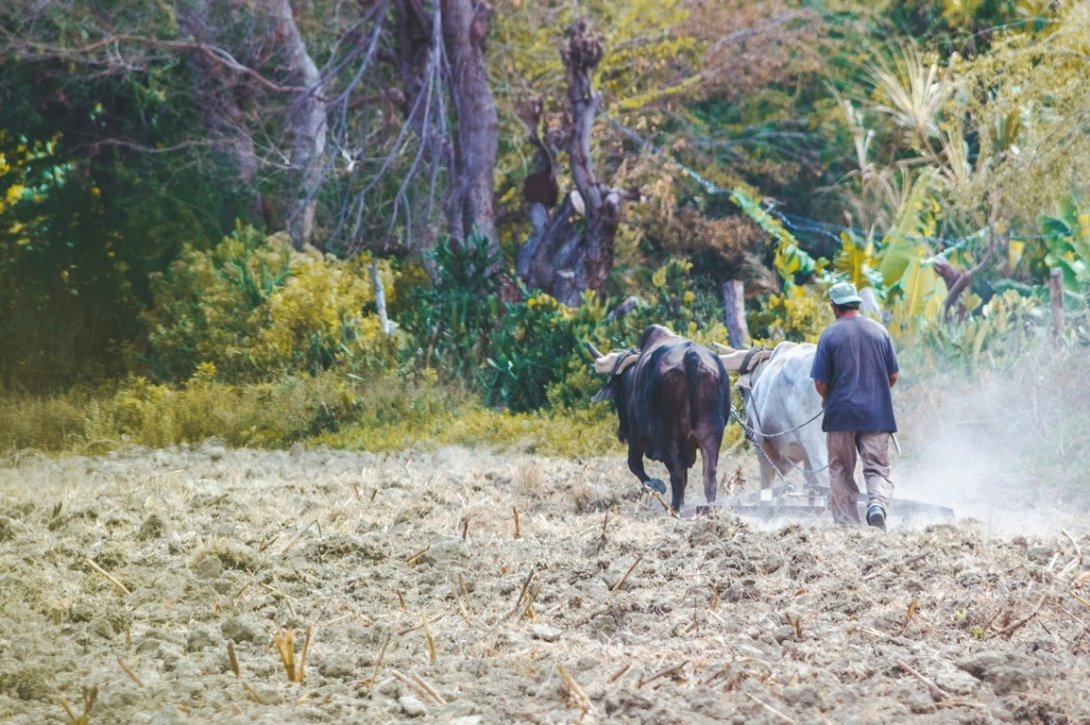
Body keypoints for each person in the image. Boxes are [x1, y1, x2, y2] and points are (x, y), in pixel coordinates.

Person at [809, 281, 900, 529]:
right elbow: (893, 376)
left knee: (840, 471)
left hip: (840, 415)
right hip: (876, 415)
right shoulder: (880, 331)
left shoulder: (829, 335)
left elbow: (820, 381)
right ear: (856, 305)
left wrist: (829, 398)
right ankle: (877, 504)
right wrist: (875, 395)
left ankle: (848, 528)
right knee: (877, 468)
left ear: (834, 307)